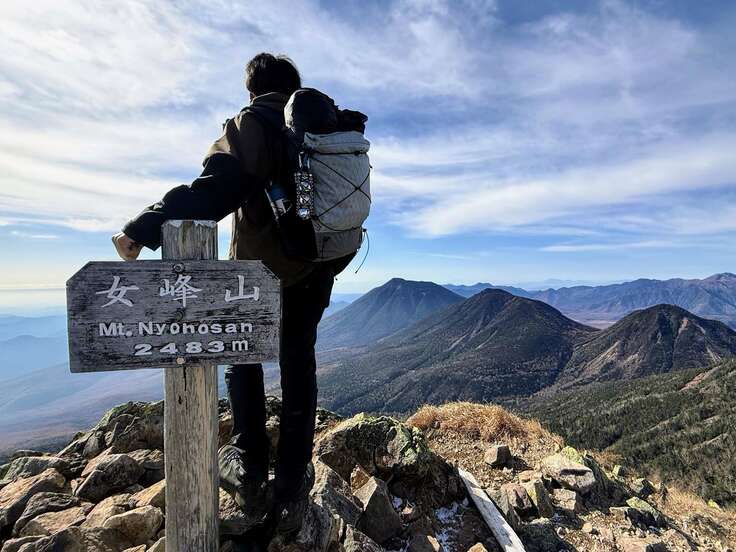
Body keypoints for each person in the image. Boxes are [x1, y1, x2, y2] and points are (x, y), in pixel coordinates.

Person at [113, 53, 355, 538]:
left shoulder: (255, 121)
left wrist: (145, 225)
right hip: (317, 269)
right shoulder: (321, 128)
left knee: (242, 361)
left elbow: (217, 189)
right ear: (294, 87)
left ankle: (249, 470)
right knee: (298, 365)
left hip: (259, 277)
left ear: (252, 89)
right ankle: (291, 484)